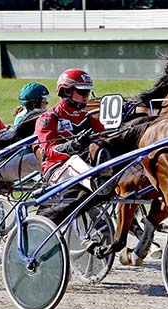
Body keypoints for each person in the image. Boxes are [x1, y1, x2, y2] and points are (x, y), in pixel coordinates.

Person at [34, 68, 112, 224]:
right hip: (56, 170)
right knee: (75, 160)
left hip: (84, 169)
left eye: (87, 93)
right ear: (66, 91)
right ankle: (99, 184)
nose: (85, 97)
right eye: (82, 92)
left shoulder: (87, 118)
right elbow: (49, 151)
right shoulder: (49, 118)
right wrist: (74, 145)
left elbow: (105, 137)